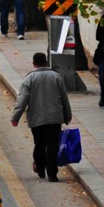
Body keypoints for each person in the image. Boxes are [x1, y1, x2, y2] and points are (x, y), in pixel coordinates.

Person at [11, 51, 73, 182]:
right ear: (46, 62)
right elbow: (64, 98)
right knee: (52, 145)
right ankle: (52, 173)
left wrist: (15, 117)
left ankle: (40, 167)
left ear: (34, 64)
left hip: (37, 119)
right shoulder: (56, 76)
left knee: (39, 144)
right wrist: (67, 115)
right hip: (54, 118)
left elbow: (22, 99)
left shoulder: (29, 79)